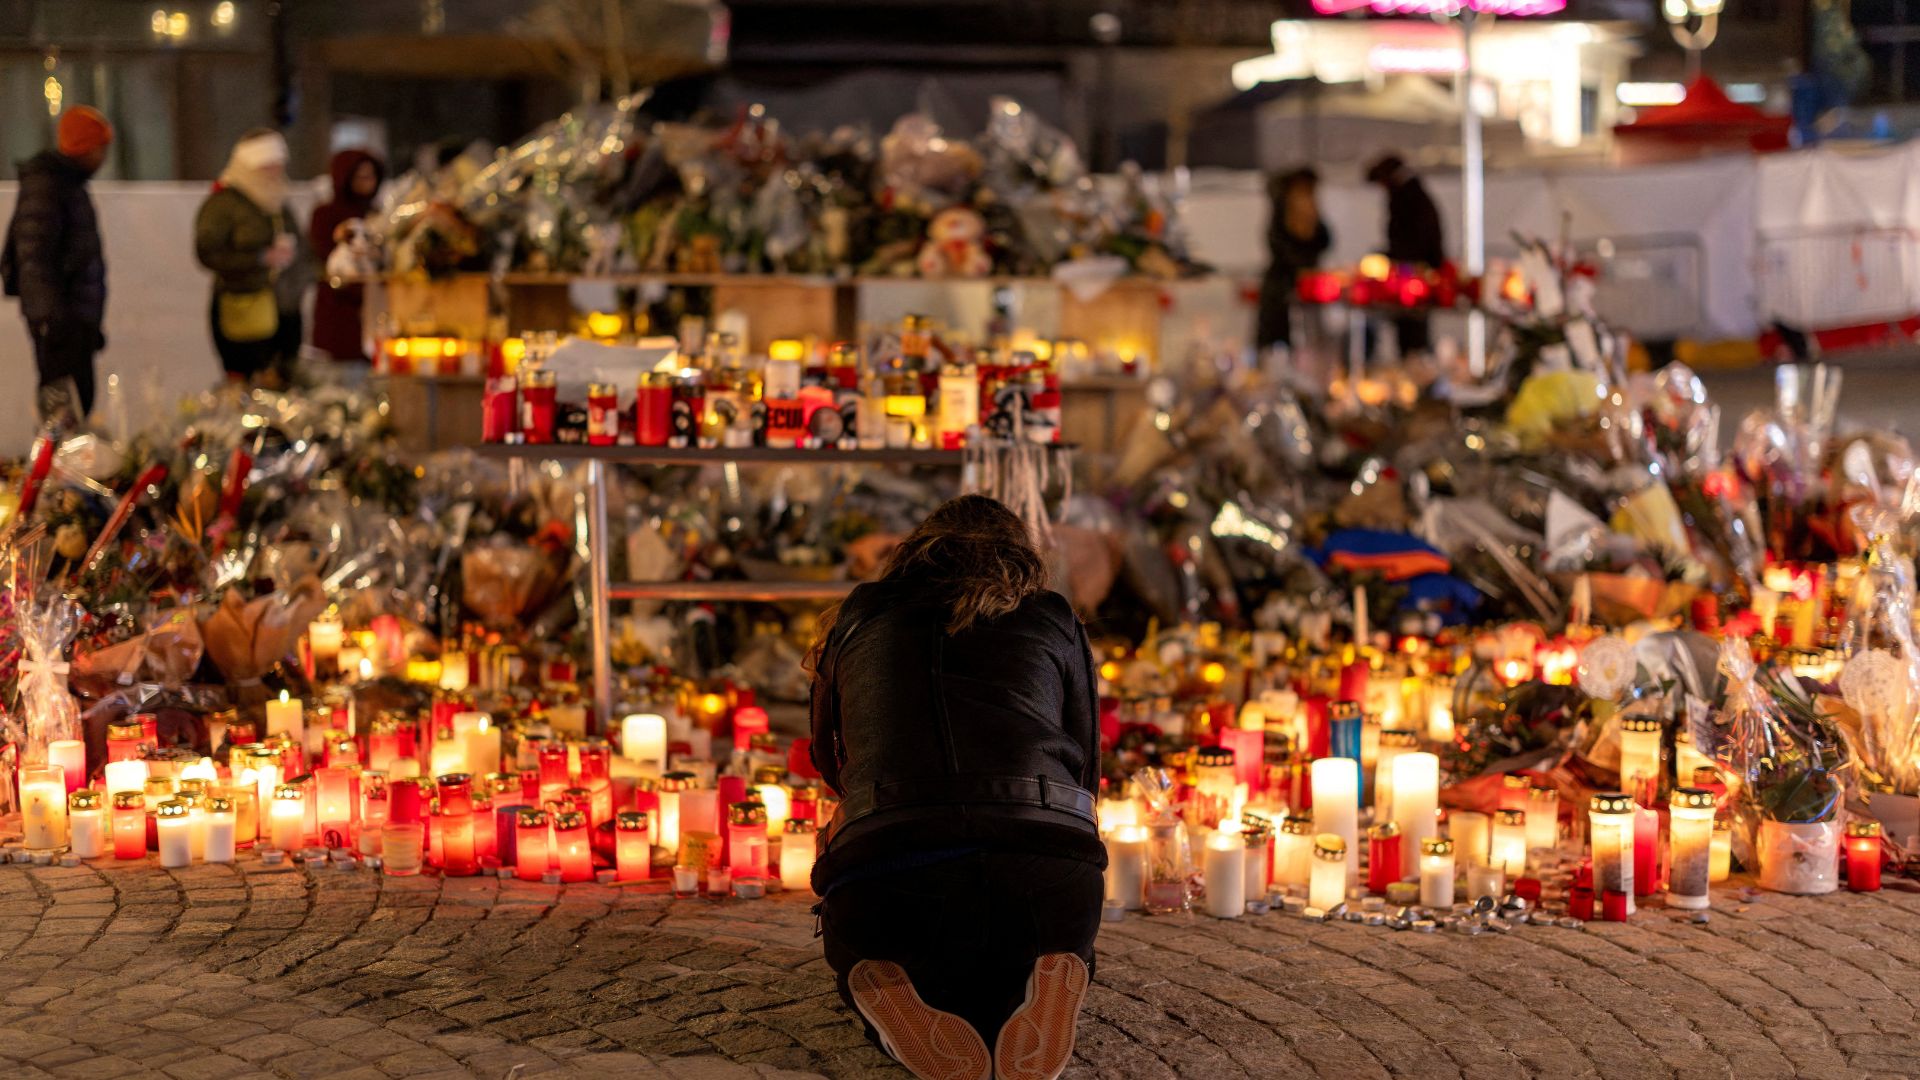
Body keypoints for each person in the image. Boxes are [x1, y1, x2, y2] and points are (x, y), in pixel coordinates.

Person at [808, 494, 1105, 1080]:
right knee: (1036, 937)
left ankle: (890, 985)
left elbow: (826, 756)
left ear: (916, 551)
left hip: (889, 873)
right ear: (1023, 559)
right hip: (1050, 876)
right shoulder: (1053, 615)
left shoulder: (863, 612)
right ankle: (1051, 972)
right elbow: (1088, 769)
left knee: (867, 947)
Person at [3, 106, 113, 425]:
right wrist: (54, 322)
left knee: (76, 404)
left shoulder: (65, 184)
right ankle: (59, 473)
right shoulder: (50, 186)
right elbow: (33, 259)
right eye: (100, 147)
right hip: (61, 324)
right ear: (84, 146)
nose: (104, 156)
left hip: (72, 322)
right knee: (63, 411)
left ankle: (68, 470)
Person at [195, 129, 307, 385]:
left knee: (283, 379)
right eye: (267, 167)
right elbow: (207, 252)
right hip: (243, 304)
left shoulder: (278, 201)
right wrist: (259, 258)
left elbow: (301, 246)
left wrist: (299, 274)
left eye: (278, 166)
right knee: (246, 380)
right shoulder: (224, 204)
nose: (275, 173)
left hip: (284, 305)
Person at [308, 149, 384, 363]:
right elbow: (326, 255)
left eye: (371, 176)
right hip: (340, 307)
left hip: (373, 303)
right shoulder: (326, 214)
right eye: (360, 176)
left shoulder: (377, 213)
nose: (367, 182)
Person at [1365, 154, 1445, 356]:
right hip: (1415, 275)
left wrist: (1390, 259)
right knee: (1412, 335)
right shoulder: (1415, 194)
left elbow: (1411, 244)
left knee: (1412, 339)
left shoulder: (1407, 198)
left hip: (1412, 279)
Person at [1256, 167, 1331, 354]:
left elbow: (1325, 241)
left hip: (1307, 293)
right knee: (1279, 348)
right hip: (1282, 293)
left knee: (1309, 346)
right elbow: (1285, 252)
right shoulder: (1282, 216)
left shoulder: (1312, 217)